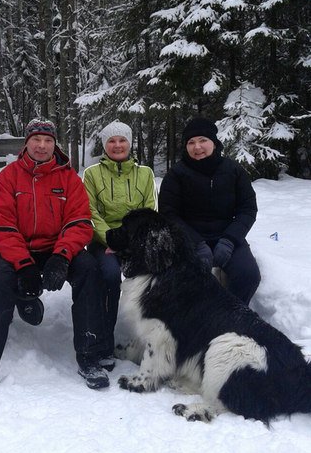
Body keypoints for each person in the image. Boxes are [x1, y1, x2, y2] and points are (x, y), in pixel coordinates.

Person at [0, 119, 109, 412]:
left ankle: (90, 356)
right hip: (17, 250)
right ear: (26, 143)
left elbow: (79, 222)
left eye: (48, 141)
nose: (42, 146)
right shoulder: (9, 177)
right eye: (36, 140)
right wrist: (24, 265)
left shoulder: (69, 179)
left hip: (57, 249)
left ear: (55, 144)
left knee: (90, 270)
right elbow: (1, 225)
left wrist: (62, 256)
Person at [158, 117, 261, 305]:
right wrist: (195, 243)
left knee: (248, 275)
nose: (197, 147)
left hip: (228, 236)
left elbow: (247, 208)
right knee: (185, 281)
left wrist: (230, 240)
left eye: (202, 140)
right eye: (191, 142)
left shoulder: (233, 170)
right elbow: (168, 213)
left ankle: (232, 317)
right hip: (189, 238)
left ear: (214, 142)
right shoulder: (176, 174)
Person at [83, 120, 157, 366]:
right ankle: (104, 343)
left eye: (122, 140)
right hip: (103, 241)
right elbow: (90, 213)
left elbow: (149, 212)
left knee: (154, 278)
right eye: (111, 141)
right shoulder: (92, 174)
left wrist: (132, 244)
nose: (117, 145)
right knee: (110, 275)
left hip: (137, 242)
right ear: (105, 145)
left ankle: (151, 343)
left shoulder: (145, 174)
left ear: (130, 143)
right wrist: (111, 240)